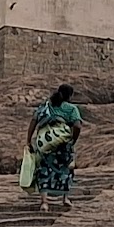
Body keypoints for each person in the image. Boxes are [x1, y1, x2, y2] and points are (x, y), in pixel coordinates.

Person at [26, 83, 82, 211]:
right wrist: (73, 140)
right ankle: (65, 198)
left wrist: (28, 140)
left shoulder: (45, 106)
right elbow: (77, 126)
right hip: (63, 145)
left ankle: (44, 202)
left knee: (44, 170)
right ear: (70, 96)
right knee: (66, 170)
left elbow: (33, 121)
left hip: (45, 144)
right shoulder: (71, 109)